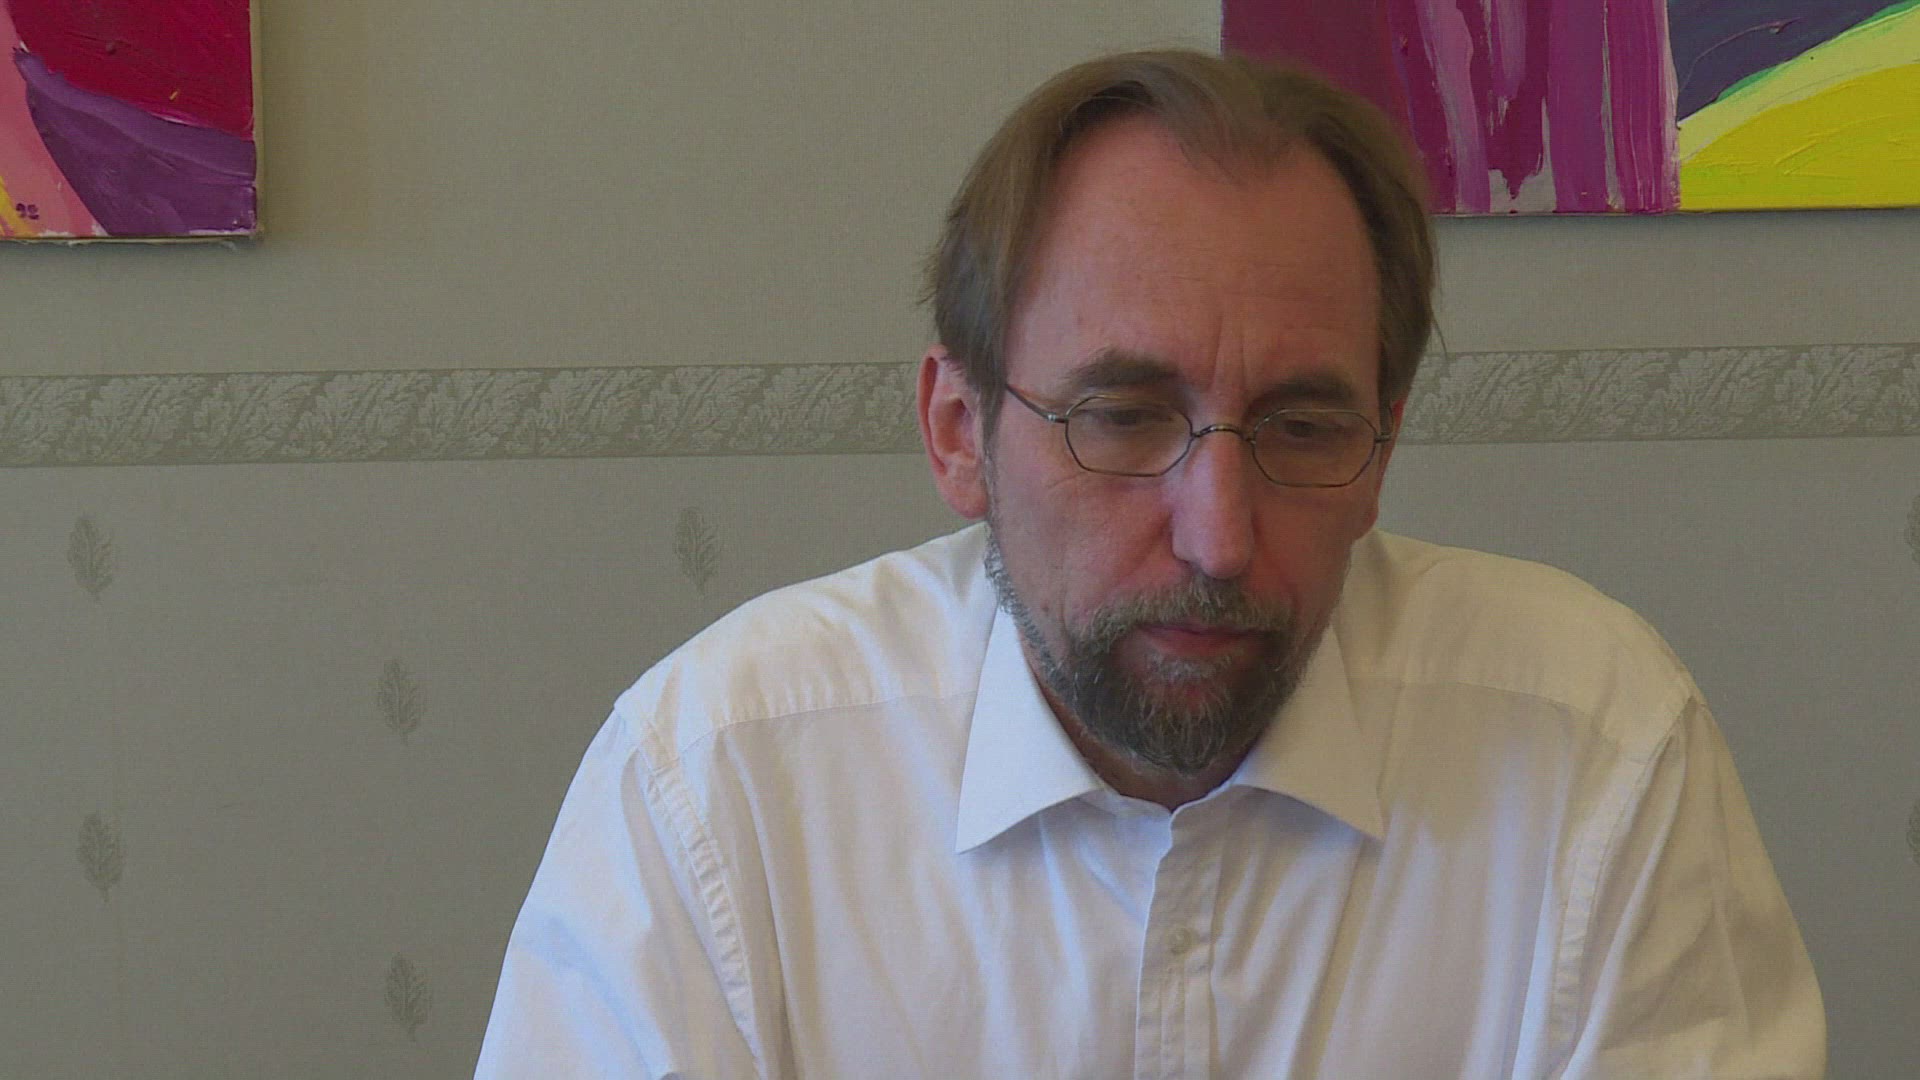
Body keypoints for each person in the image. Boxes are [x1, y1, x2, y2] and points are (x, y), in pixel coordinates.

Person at [476, 49, 1824, 1078]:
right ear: (961, 434)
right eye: (1121, 419)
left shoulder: (1596, 750)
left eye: (1303, 428)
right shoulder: (717, 784)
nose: (1219, 536)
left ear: (1381, 450)